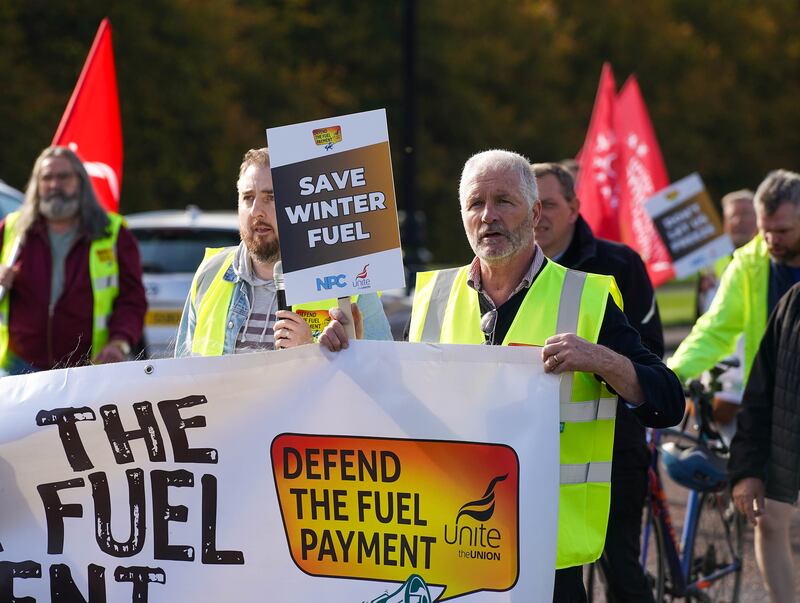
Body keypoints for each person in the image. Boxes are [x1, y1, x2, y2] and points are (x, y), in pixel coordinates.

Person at [399, 149, 683, 602]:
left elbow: (667, 401)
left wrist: (601, 360)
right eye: (475, 204)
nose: (488, 215)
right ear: (462, 215)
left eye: (503, 201)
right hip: (457, 544)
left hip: (550, 552)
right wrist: (340, 343)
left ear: (533, 213)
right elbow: (394, 401)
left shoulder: (585, 298)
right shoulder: (433, 297)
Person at [533, 161, 663, 603]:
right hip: (529, 458)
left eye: (548, 204)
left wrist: (602, 360)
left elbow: (651, 359)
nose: (537, 216)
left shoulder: (620, 264)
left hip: (610, 454)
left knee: (621, 573)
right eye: (529, 205)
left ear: (574, 207)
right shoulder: (500, 271)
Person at [668, 169, 800, 599]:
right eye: (765, 231)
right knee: (768, 518)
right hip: (774, 400)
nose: (771, 240)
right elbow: (716, 328)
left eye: (782, 231)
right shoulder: (750, 262)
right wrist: (672, 376)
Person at [175, 147, 391, 357]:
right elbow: (183, 379)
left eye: (271, 197)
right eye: (248, 197)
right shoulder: (210, 273)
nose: (256, 211)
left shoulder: (351, 282)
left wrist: (309, 353)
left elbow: (381, 380)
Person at [0, 146, 146, 374]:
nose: (55, 185)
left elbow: (132, 299)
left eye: (63, 176)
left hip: (89, 369)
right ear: (36, 185)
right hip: (18, 368)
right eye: (46, 177)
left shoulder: (113, 233)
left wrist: (119, 342)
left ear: (80, 181)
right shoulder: (12, 229)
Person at [730, 282, 800, 603]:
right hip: (786, 448)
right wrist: (747, 470)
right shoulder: (794, 301)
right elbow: (759, 392)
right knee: (768, 521)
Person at [696, 189, 757, 315]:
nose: (739, 221)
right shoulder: (709, 262)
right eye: (732, 216)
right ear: (724, 222)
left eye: (745, 214)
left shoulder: (773, 254)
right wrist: (704, 293)